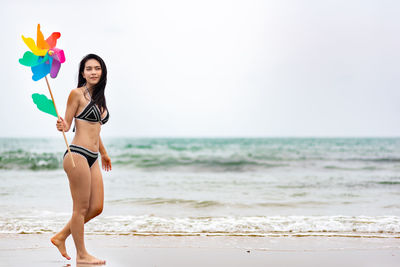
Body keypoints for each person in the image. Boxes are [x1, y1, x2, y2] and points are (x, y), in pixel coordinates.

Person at [51, 54, 111, 265]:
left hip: (93, 157)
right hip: (76, 154)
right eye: (88, 69)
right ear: (82, 73)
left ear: (102, 72)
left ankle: (60, 237)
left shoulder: (100, 98)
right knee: (80, 209)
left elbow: (96, 129)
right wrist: (61, 126)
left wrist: (103, 153)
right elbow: (67, 124)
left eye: (97, 68)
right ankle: (82, 255)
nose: (93, 72)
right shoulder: (76, 94)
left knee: (96, 207)